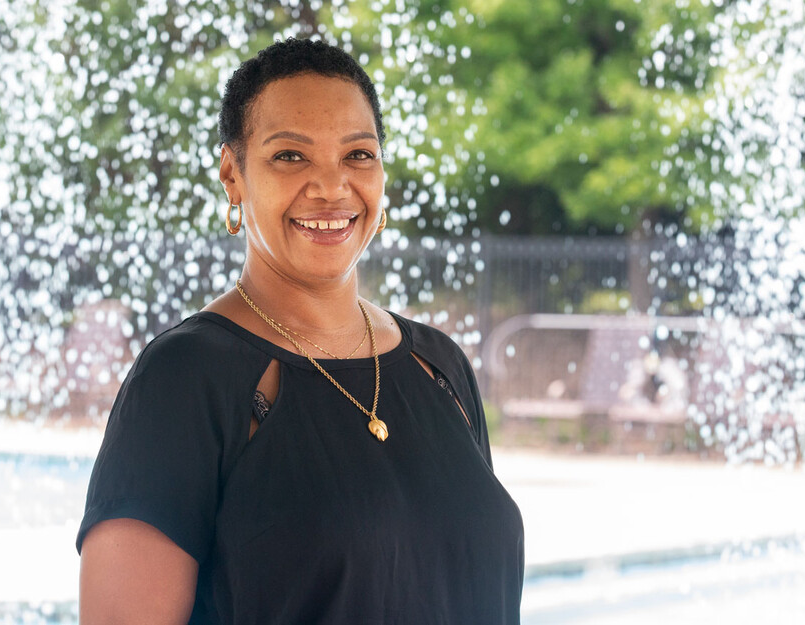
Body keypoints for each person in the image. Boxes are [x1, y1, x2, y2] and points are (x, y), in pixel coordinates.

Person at [76, 38, 524, 624]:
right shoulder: (184, 378)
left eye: (358, 155)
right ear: (232, 176)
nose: (331, 186)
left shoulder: (439, 366)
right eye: (290, 156)